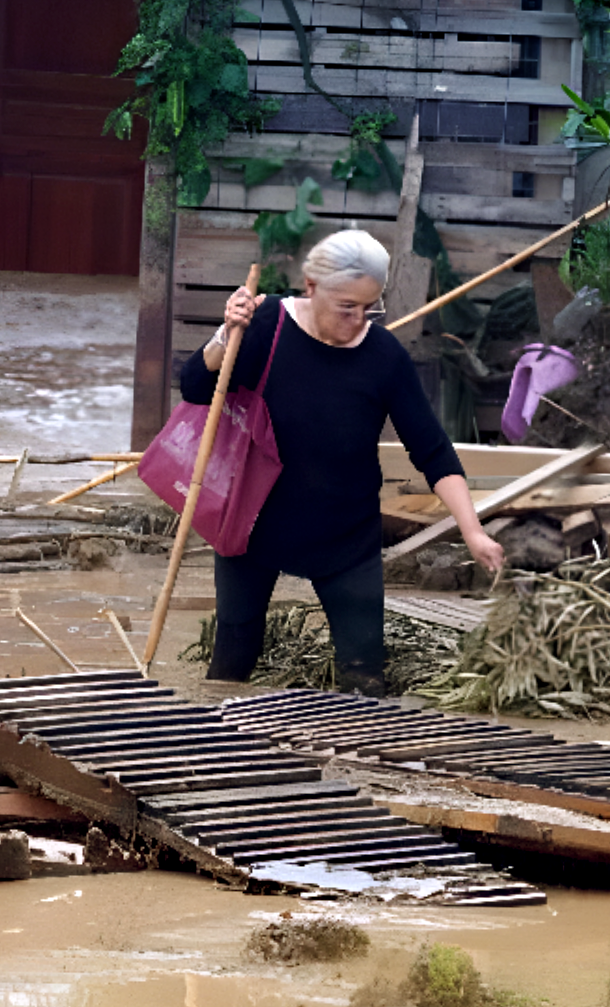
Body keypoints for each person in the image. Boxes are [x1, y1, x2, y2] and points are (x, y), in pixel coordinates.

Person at [178, 229, 504, 696]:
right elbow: (194, 387)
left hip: (345, 537)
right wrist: (224, 335)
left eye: (369, 308)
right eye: (346, 307)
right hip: (253, 526)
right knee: (230, 668)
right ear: (311, 287)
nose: (357, 320)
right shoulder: (267, 324)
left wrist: (472, 530)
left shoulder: (384, 356)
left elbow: (431, 450)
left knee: (364, 676)